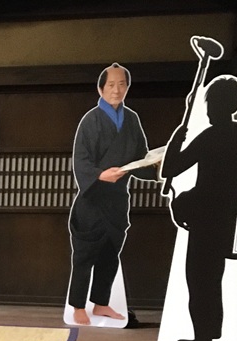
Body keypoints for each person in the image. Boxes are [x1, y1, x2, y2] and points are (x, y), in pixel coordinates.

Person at [160, 75, 237, 341]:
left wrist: (177, 138)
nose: (209, 109)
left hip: (206, 217)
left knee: (199, 279)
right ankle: (213, 331)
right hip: (228, 216)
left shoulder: (211, 136)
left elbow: (170, 169)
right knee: (213, 279)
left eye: (211, 103)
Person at [67, 63, 159, 326]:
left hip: (117, 200)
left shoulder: (132, 119)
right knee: (84, 256)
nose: (116, 90)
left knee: (110, 254)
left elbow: (140, 158)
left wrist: (159, 168)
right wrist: (99, 175)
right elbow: (81, 161)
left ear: (127, 88)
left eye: (122, 84)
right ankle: (78, 306)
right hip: (92, 200)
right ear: (100, 89)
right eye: (111, 85)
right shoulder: (90, 120)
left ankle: (101, 303)